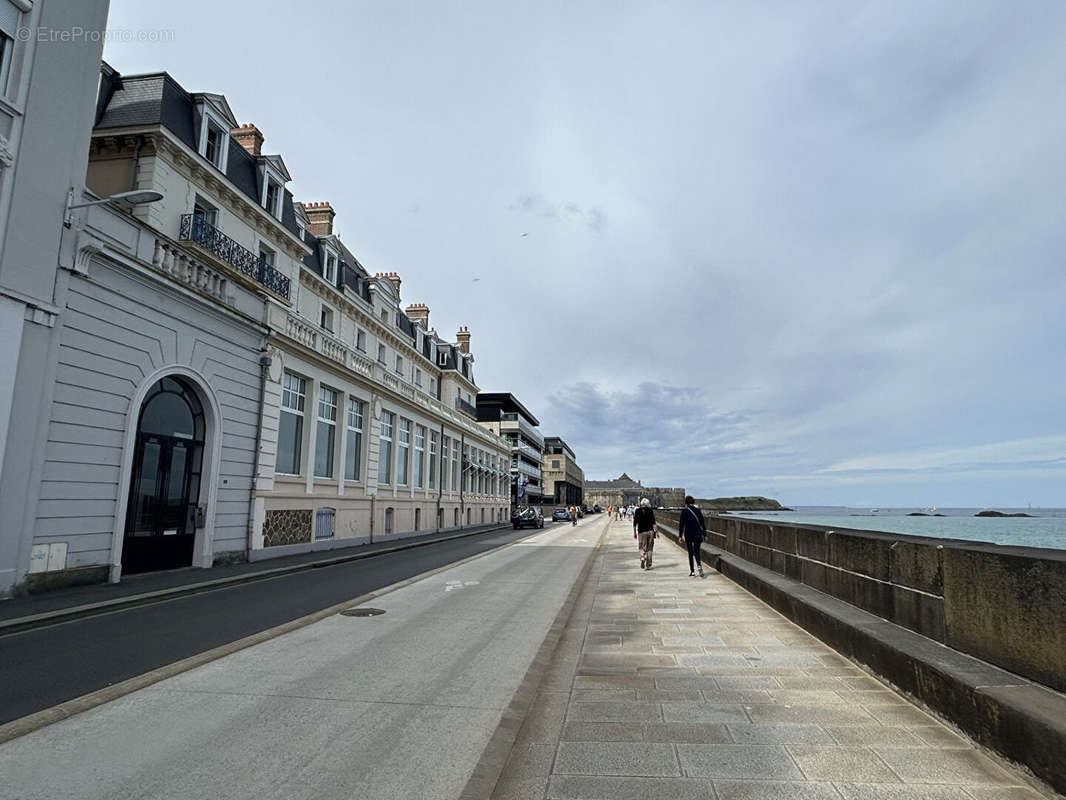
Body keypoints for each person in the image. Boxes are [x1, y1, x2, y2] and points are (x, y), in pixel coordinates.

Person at [678, 495, 706, 577]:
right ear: (693, 502)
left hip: (688, 534)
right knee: (697, 551)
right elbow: (702, 524)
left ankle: (692, 571)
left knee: (690, 552)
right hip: (698, 534)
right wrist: (705, 534)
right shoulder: (698, 511)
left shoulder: (684, 511)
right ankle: (699, 565)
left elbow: (681, 525)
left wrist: (680, 536)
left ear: (686, 502)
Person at [632, 498, 658, 569]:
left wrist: (634, 532)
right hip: (650, 531)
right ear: (647, 504)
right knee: (650, 548)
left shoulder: (637, 511)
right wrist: (657, 532)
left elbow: (635, 523)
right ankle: (648, 565)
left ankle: (643, 557)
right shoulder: (650, 510)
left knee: (641, 546)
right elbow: (654, 523)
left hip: (641, 532)